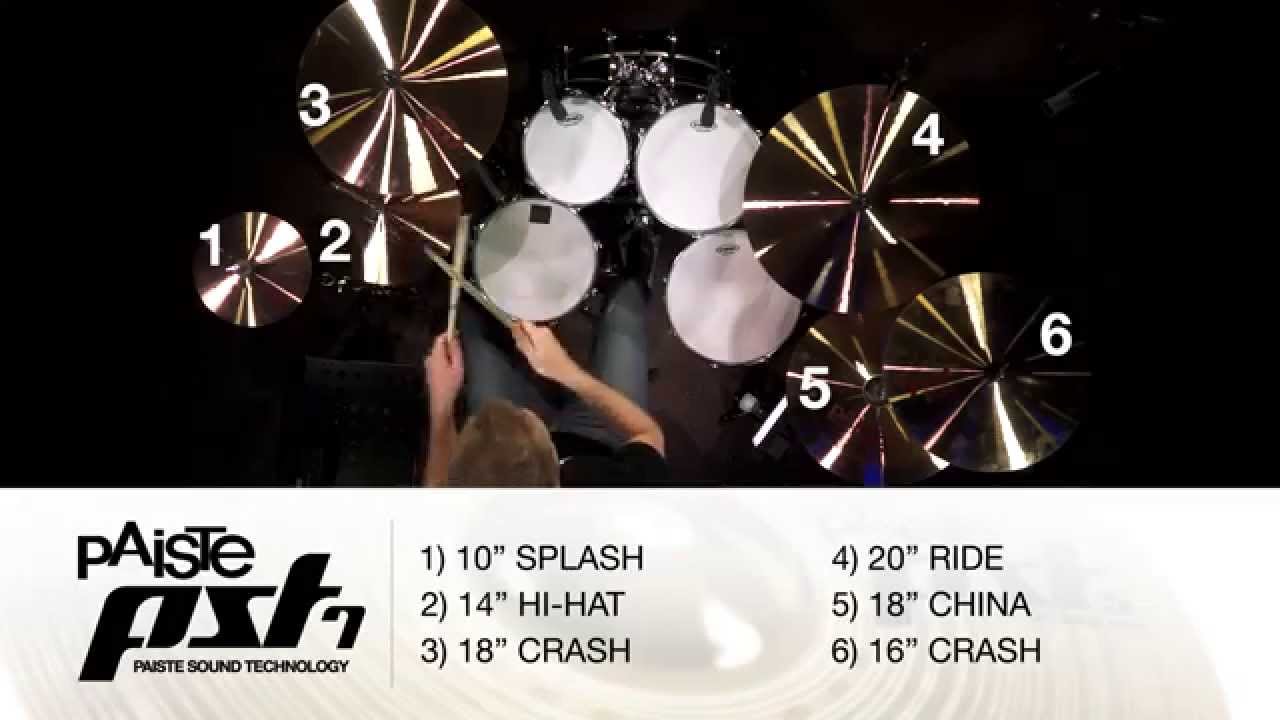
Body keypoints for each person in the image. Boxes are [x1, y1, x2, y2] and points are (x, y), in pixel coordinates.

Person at [422, 278, 668, 486]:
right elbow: (650, 434)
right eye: (527, 422)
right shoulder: (623, 501)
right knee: (627, 303)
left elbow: (437, 492)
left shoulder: (456, 521)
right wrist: (567, 372)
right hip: (599, 446)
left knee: (473, 315)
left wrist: (442, 407)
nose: (524, 414)